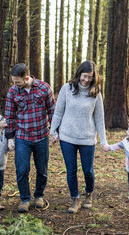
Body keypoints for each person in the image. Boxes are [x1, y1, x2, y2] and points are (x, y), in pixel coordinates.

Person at [49, 61, 108, 214]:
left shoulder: (96, 93)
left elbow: (99, 119)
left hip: (87, 139)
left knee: (88, 170)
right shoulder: (67, 88)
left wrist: (103, 140)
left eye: (90, 77)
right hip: (67, 137)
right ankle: (75, 198)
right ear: (79, 74)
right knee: (71, 170)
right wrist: (53, 131)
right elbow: (58, 112)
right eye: (84, 76)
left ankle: (89, 194)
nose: (86, 80)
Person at [5, 63, 55, 213]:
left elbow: (52, 111)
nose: (15, 84)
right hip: (22, 137)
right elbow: (9, 116)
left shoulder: (44, 88)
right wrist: (10, 138)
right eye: (13, 81)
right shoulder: (13, 92)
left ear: (26, 78)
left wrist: (54, 132)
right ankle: (25, 199)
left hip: (41, 137)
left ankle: (39, 196)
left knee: (42, 170)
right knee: (22, 169)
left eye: (17, 81)